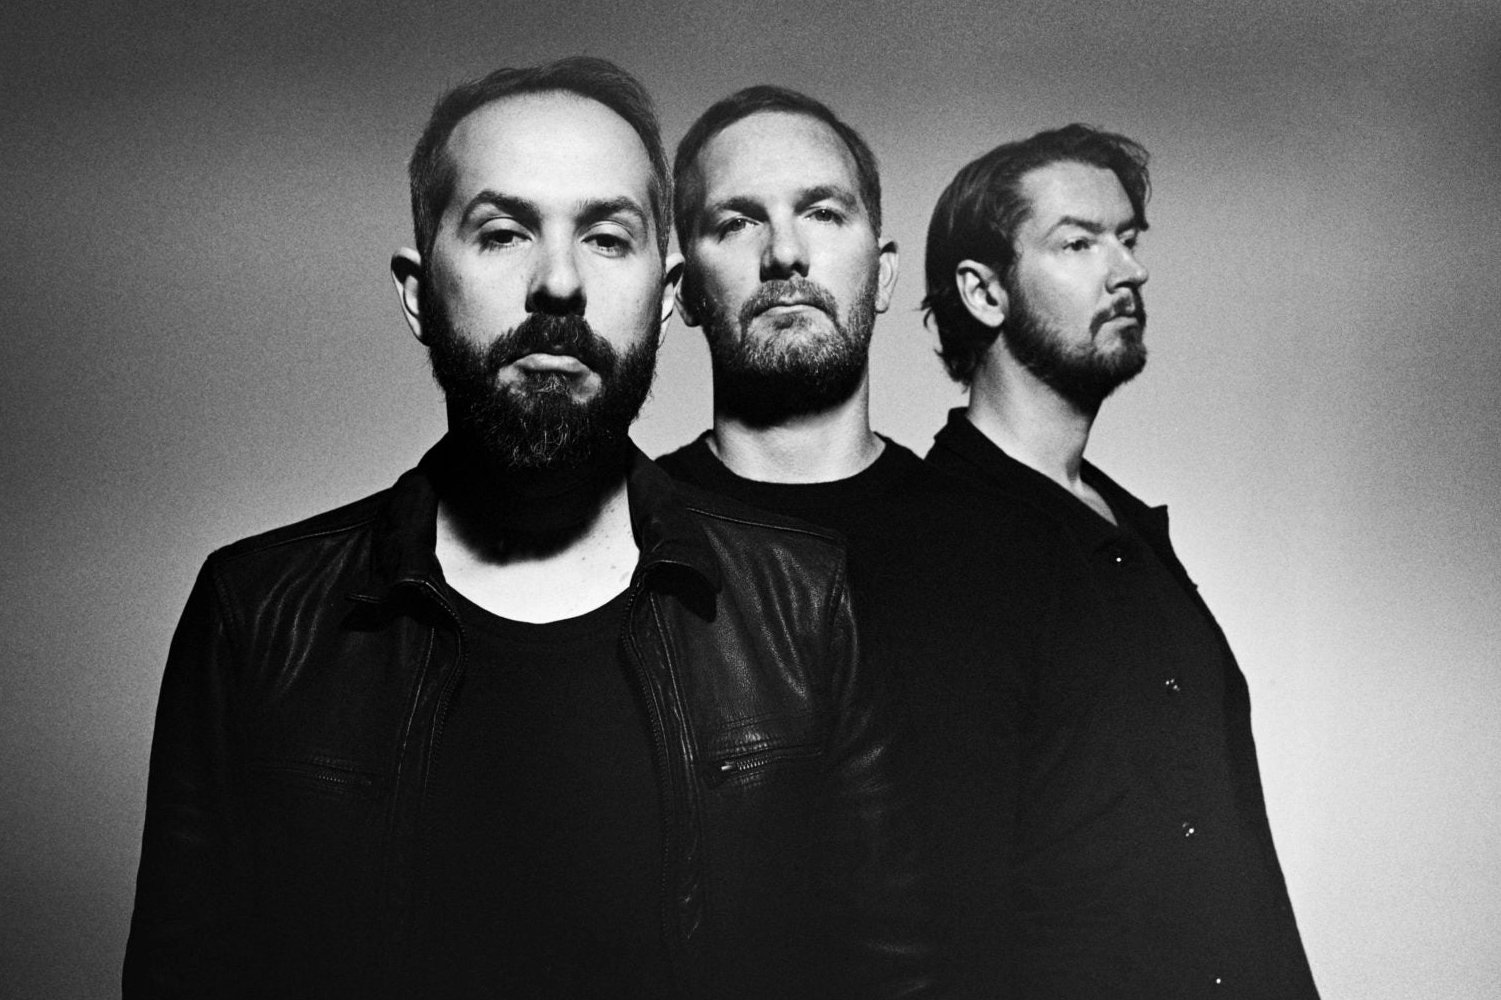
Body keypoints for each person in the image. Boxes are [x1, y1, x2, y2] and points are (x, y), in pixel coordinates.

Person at [124, 58, 925, 999]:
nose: (558, 282)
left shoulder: (799, 599)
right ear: (419, 292)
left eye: (607, 238)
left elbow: (883, 976)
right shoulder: (257, 613)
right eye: (503, 233)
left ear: (666, 295)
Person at [659, 85, 1101, 996]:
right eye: (736, 222)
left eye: (823, 213)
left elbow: (1085, 898)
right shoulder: (626, 540)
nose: (785, 253)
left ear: (886, 273)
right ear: (686, 290)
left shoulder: (1012, 548)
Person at [921, 123, 1321, 997]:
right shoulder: (930, 540)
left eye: (1128, 240)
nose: (1128, 270)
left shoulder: (1130, 532)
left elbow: (1232, 861)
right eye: (1079, 243)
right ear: (984, 292)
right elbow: (942, 906)